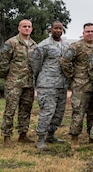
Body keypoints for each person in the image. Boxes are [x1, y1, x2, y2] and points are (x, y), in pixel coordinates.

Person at [61, 23, 93, 150]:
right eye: (88, 31)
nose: (90, 33)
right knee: (78, 112)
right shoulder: (76, 46)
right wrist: (72, 76)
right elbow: (65, 61)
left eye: (92, 31)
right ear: (83, 33)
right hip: (80, 86)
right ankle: (74, 138)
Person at [0, 19, 37, 148]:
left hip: (29, 83)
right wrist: (8, 76)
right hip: (14, 82)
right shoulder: (11, 43)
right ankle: (7, 136)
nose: (27, 28)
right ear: (19, 28)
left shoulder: (33, 45)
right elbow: (3, 62)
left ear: (31, 29)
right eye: (24, 26)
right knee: (10, 110)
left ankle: (23, 134)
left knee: (25, 110)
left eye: (29, 26)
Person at [31, 21, 69, 150]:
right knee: (47, 112)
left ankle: (51, 135)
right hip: (47, 85)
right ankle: (40, 138)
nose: (58, 30)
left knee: (59, 113)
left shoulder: (66, 45)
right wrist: (38, 80)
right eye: (56, 28)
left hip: (62, 85)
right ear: (51, 29)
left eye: (60, 28)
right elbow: (35, 64)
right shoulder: (43, 45)